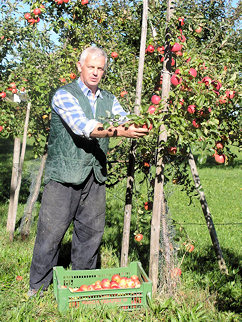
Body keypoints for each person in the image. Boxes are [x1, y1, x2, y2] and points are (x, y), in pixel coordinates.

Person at [28, 46, 149, 297]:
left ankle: (83, 287)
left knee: (90, 235)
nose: (95, 73)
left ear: (104, 71)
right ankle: (37, 288)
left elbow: (123, 119)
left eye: (100, 68)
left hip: (95, 176)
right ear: (79, 67)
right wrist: (121, 132)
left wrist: (144, 123)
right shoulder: (64, 95)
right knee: (51, 235)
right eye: (91, 67)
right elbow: (85, 127)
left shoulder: (109, 99)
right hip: (63, 176)